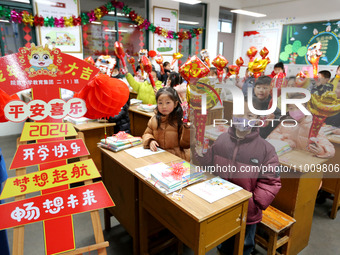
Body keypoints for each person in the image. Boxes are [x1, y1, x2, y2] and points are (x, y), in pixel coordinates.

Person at [191, 100, 281, 255]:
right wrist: (198, 152)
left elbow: (271, 182)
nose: (243, 118)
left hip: (247, 210)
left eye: (249, 115)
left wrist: (254, 201)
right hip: (222, 203)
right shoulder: (222, 140)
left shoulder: (266, 149)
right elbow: (208, 163)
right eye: (239, 113)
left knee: (244, 244)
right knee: (223, 238)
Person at [268, 93, 335, 158]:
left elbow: (331, 150)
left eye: (298, 108)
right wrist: (284, 140)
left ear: (307, 108)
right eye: (291, 108)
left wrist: (321, 151)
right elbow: (271, 136)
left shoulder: (313, 126)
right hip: (288, 160)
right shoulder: (286, 122)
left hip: (305, 163)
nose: (295, 111)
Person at [142, 87, 190, 161]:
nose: (164, 106)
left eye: (168, 103)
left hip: (177, 158)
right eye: (160, 103)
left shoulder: (180, 120)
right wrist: (150, 141)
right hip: (159, 156)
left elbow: (185, 145)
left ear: (175, 104)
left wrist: (187, 128)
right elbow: (146, 134)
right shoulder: (154, 119)